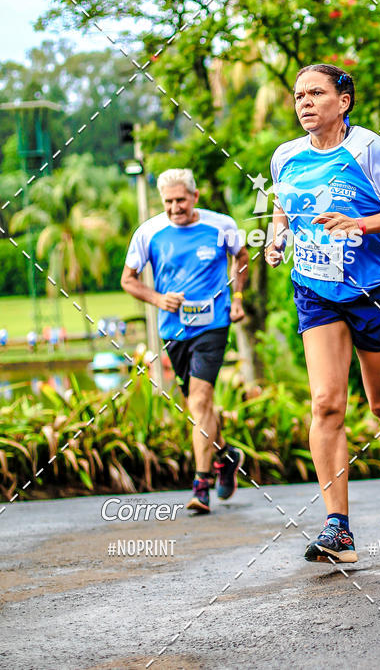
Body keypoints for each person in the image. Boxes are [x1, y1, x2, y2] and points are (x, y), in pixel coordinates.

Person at [266, 63, 380, 563]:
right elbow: (284, 206)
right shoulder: (285, 156)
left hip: (375, 290)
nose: (305, 103)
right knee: (326, 404)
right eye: (298, 96)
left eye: (316, 93)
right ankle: (338, 528)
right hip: (316, 289)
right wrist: (279, 237)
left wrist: (359, 224)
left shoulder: (368, 150)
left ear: (344, 101)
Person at [121, 167, 249, 514]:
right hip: (173, 330)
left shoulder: (220, 225)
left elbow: (242, 257)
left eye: (180, 199)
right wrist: (158, 299)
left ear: (194, 197)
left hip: (213, 324)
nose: (174, 207)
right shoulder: (149, 232)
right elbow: (128, 280)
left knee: (200, 401)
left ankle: (201, 485)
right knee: (198, 408)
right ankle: (226, 456)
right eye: (168, 202)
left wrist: (237, 300)